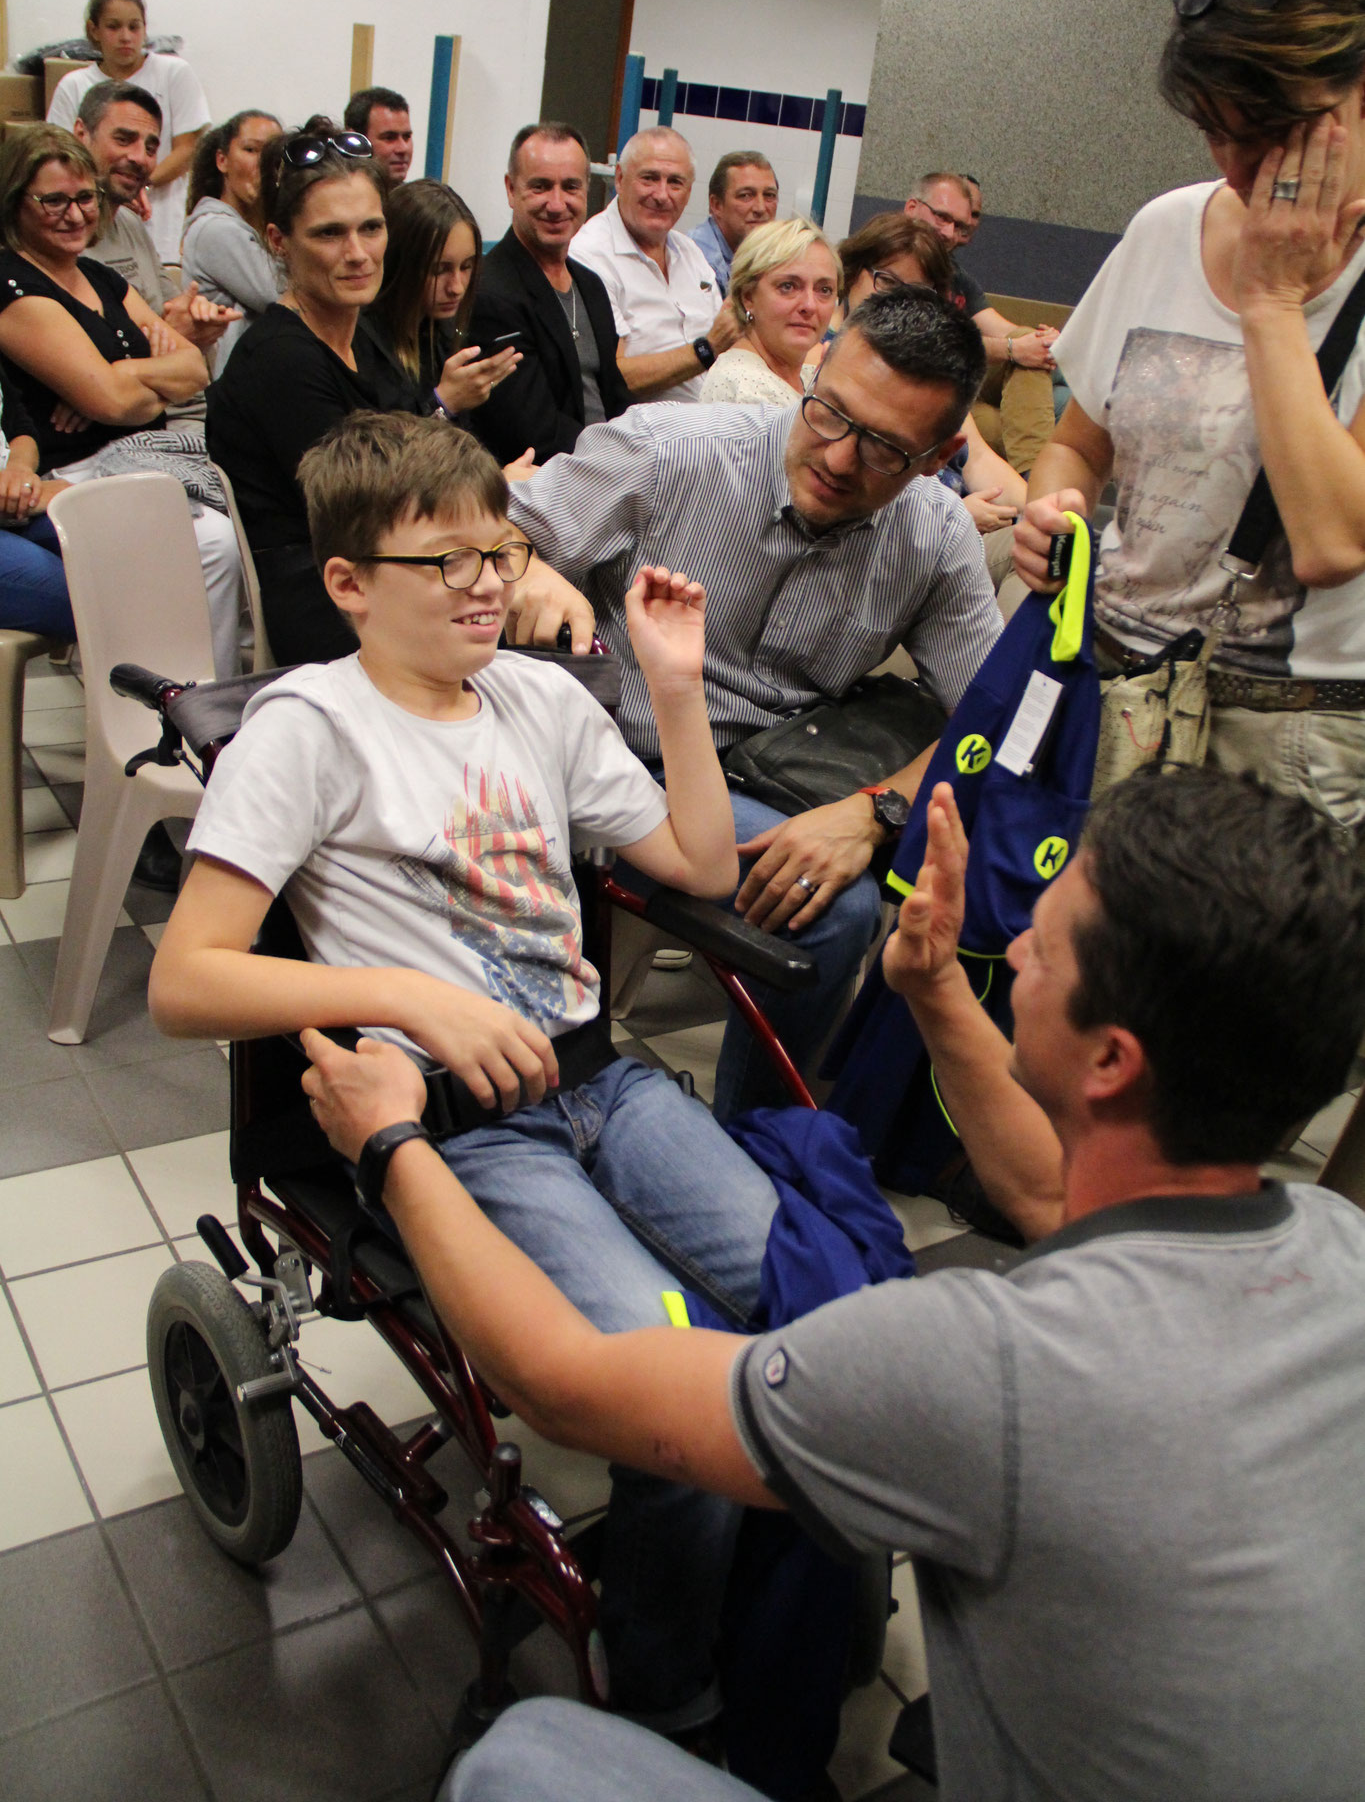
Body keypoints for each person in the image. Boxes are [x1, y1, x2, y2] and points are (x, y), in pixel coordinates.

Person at [298, 765, 1365, 1802]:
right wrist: (937, 985)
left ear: (1112, 1060)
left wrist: (391, 1142)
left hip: (496, 1130)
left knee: (519, 1759)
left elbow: (568, 1381)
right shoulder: (1336, 1241)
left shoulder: (977, 1362)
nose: (1024, 939)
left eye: (1053, 933)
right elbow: (1051, 1193)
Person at [149, 410, 784, 1742]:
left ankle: (783, 1613)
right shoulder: (308, 727)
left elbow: (704, 868)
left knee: (808, 1300)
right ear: (347, 584)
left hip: (600, 1083)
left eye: (498, 552)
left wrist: (674, 685)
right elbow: (187, 981)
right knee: (674, 1390)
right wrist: (406, 994)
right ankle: (669, 1711)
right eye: (445, 563)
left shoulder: (539, 700)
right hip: (460, 1132)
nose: (488, 583)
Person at [506, 284, 1000, 1119]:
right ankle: (758, 1139)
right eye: (829, 414)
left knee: (992, 864)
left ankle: (836, 1130)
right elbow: (481, 532)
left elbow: (993, 716)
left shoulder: (935, 532)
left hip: (787, 771)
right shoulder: (669, 451)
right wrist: (532, 567)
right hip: (626, 764)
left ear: (938, 454)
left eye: (884, 449)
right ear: (812, 367)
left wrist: (875, 810)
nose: (839, 458)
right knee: (833, 912)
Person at [1015, 0, 1365, 844]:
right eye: (1215, 131)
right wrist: (1053, 511)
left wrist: (1273, 301)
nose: (1237, 167)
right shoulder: (1168, 224)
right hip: (1115, 682)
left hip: (1287, 733)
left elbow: (1332, 538)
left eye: (1272, 133)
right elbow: (1077, 444)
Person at [0, 126, 243, 680]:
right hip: (70, 471)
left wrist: (122, 372)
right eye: (53, 200)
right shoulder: (12, 284)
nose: (75, 213)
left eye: (85, 198)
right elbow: (109, 400)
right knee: (208, 542)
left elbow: (193, 368)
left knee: (223, 534)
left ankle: (208, 694)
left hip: (147, 452)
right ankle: (180, 702)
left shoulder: (100, 277)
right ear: (16, 204)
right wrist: (125, 384)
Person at [206, 121, 444, 666]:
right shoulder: (280, 359)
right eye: (330, 233)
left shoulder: (366, 334)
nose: (359, 253)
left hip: (392, 569)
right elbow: (369, 503)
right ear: (278, 241)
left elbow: (422, 454)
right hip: (329, 597)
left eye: (371, 228)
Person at [839, 215, 1028, 587]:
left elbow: (979, 456)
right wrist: (953, 516)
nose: (897, 302)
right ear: (853, 273)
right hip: (894, 545)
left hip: (959, 527)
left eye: (916, 294)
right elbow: (855, 489)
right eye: (887, 281)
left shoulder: (933, 368)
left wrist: (1041, 513)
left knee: (1052, 546)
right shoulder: (830, 362)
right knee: (1030, 560)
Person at [466, 124, 630, 465]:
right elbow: (532, 431)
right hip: (541, 488)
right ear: (511, 190)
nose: (557, 205)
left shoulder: (592, 286)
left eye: (571, 187)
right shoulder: (491, 294)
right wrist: (619, 458)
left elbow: (615, 395)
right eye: (540, 187)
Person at [73, 83, 239, 395]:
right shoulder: (59, 240)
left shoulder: (131, 224)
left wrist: (198, 322)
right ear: (82, 135)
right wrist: (172, 337)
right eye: (123, 140)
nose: (139, 158)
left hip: (189, 404)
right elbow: (95, 386)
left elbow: (179, 319)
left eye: (151, 148)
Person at [47, 0, 210, 264]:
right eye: (114, 27)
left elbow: (188, 148)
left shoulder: (174, 73)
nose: (126, 36)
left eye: (134, 27)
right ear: (93, 30)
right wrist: (112, 191)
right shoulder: (73, 85)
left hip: (162, 226)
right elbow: (62, 156)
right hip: (94, 228)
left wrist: (138, 185)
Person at [570, 128, 739, 403]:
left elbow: (729, 342)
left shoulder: (690, 253)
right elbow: (612, 376)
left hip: (711, 424)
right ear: (620, 179)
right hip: (643, 437)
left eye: (675, 182)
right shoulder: (590, 256)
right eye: (649, 178)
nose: (661, 195)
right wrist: (705, 349)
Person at [905, 173, 1057, 474]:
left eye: (959, 225)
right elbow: (927, 342)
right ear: (912, 207)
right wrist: (1013, 349)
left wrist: (1045, 341)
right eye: (941, 217)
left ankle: (1037, 488)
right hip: (921, 387)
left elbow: (999, 328)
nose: (948, 233)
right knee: (1018, 429)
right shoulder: (889, 264)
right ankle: (1039, 483)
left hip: (961, 385)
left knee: (1038, 367)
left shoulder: (954, 275)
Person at [360, 178, 520, 428]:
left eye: (466, 267)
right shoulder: (363, 341)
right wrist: (444, 404)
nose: (456, 287)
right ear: (401, 264)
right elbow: (380, 459)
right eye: (439, 270)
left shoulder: (440, 330)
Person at [181, 109, 285, 375]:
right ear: (222, 160)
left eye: (273, 154)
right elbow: (279, 295)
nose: (264, 164)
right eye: (251, 150)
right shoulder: (215, 228)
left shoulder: (260, 228)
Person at [699, 217, 839, 406]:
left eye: (824, 290)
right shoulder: (747, 389)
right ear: (748, 297)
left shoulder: (807, 377)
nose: (810, 305)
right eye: (788, 286)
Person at [0, 369, 74, 641]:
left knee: (122, 547)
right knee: (89, 597)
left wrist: (19, 474)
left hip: (13, 505)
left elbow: (19, 426)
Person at [691, 152, 780, 295]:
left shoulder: (771, 252)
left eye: (769, 195)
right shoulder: (699, 260)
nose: (760, 208)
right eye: (746, 196)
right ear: (717, 205)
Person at [343, 86, 413, 186]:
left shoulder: (416, 200)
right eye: (389, 137)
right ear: (356, 141)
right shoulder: (333, 197)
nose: (403, 148)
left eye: (406, 137)